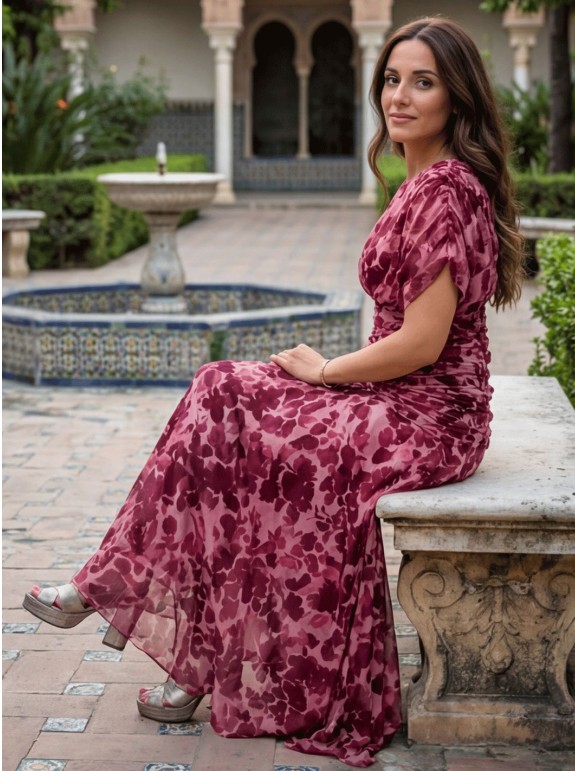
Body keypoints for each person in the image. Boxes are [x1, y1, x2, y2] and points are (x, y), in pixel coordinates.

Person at [23, 16, 524, 768]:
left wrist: (326, 372)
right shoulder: (420, 180)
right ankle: (175, 642)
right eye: (392, 78)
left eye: (423, 81)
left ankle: (132, 608)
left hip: (431, 418)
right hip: (401, 398)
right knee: (221, 392)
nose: (400, 95)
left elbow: (424, 344)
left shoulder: (447, 190)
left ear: (458, 96)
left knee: (257, 442)